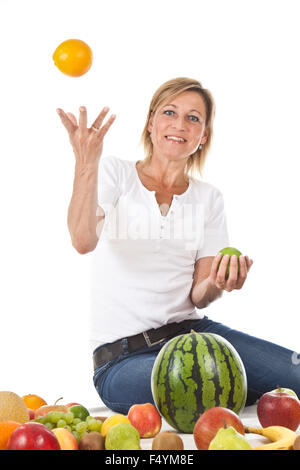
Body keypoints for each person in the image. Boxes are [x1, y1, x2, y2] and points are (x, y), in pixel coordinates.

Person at [57, 77, 300, 415]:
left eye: (193, 118)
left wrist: (219, 280)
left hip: (195, 335)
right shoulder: (115, 173)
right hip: (122, 358)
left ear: (203, 136)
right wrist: (86, 163)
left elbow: (199, 296)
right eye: (170, 112)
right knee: (199, 385)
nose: (179, 124)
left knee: (295, 373)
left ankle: (240, 391)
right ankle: (238, 392)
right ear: (151, 123)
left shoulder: (209, 198)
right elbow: (82, 241)